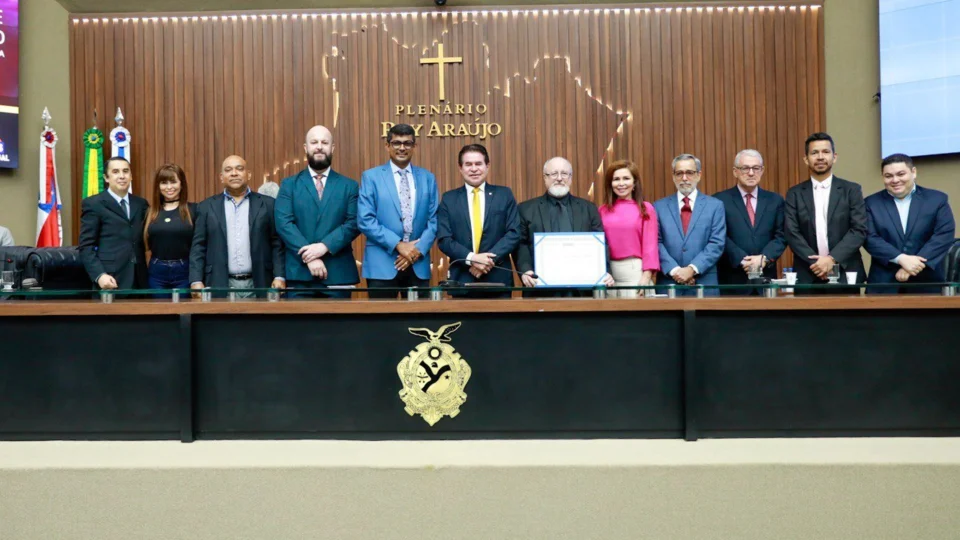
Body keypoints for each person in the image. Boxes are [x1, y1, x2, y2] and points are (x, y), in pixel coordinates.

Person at [275, 125, 360, 299]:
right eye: (314, 142)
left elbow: (354, 223)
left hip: (338, 274)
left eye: (324, 142)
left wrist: (324, 247)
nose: (319, 147)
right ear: (306, 148)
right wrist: (310, 257)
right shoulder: (289, 185)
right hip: (299, 274)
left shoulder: (349, 186)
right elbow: (284, 224)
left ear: (332, 148)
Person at [358, 123, 439, 299]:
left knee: (420, 316)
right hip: (382, 265)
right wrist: (399, 245)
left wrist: (416, 250)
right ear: (387, 146)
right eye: (396, 143)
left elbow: (434, 220)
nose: (402, 148)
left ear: (414, 146)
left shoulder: (428, 178)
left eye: (407, 143)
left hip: (418, 263)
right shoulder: (371, 177)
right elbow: (365, 220)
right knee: (383, 316)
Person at [514, 157, 615, 297]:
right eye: (554, 174)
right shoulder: (526, 209)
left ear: (571, 178)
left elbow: (600, 243)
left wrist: (604, 271)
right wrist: (526, 270)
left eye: (564, 173)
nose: (559, 178)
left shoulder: (589, 208)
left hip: (582, 290)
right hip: (539, 289)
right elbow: (521, 243)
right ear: (545, 178)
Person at [189, 155, 285, 298]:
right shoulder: (206, 207)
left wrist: (279, 276)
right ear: (221, 177)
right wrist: (196, 280)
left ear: (249, 174)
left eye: (239, 169)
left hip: (260, 282)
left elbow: (277, 243)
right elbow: (198, 246)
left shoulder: (268, 204)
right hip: (220, 283)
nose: (234, 173)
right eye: (228, 170)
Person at [784, 132, 867, 293]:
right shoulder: (794, 193)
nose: (820, 157)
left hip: (845, 273)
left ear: (834, 157)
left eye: (826, 152)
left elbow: (859, 230)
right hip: (808, 273)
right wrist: (817, 264)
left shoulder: (851, 190)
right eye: (814, 153)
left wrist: (831, 259)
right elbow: (791, 232)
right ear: (806, 159)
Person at [437, 144, 521, 297]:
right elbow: (444, 239)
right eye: (468, 164)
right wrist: (472, 259)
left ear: (487, 166)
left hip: (498, 279)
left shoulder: (504, 195)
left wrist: (486, 261)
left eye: (478, 163)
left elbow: (514, 233)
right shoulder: (449, 199)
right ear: (460, 168)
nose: (474, 169)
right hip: (462, 279)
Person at [865, 153, 956, 294]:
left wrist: (914, 265)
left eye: (901, 174)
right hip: (883, 284)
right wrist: (900, 259)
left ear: (913, 172)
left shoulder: (937, 199)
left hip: (926, 282)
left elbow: (943, 235)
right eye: (888, 176)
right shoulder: (870, 203)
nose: (895, 180)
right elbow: (869, 237)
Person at [713, 149, 786, 295]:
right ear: (735, 171)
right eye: (745, 168)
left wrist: (764, 258)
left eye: (756, 168)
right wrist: (743, 260)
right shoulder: (719, 200)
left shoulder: (775, 200)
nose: (751, 173)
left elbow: (782, 235)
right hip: (732, 280)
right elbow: (718, 235)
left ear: (762, 170)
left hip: (765, 279)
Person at [653, 154, 726, 296]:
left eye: (690, 173)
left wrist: (692, 269)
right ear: (673, 176)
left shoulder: (715, 206)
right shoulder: (658, 207)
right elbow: (656, 242)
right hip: (669, 283)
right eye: (679, 173)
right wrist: (676, 271)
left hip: (704, 283)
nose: (684, 178)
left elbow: (716, 243)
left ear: (699, 175)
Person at [78, 156, 149, 290]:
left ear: (131, 176)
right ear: (106, 178)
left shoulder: (141, 204)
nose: (122, 176)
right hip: (110, 279)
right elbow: (86, 246)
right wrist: (99, 275)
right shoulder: (94, 204)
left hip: (140, 279)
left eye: (125, 171)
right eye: (115, 172)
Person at [598, 159, 659, 298]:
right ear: (610, 184)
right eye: (616, 179)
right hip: (608, 275)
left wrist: (646, 276)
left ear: (634, 183)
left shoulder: (645, 208)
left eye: (626, 178)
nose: (621, 183)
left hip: (635, 273)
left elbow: (650, 245)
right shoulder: (602, 210)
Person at [143, 164, 197, 291]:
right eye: (164, 182)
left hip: (185, 271)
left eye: (173, 182)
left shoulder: (194, 210)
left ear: (181, 184)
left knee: (184, 305)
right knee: (158, 305)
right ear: (158, 186)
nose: (169, 187)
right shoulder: (149, 212)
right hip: (156, 272)